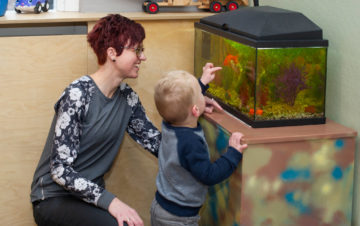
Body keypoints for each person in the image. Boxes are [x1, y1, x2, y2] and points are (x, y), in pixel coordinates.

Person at [30, 14, 222, 226]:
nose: (143, 57)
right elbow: (60, 170)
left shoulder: (127, 98)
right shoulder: (77, 95)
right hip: (53, 198)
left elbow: (160, 144)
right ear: (112, 53)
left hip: (88, 198)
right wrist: (111, 202)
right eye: (137, 50)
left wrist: (191, 105)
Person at [151, 69, 248, 226]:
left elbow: (181, 102)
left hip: (161, 207)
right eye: (200, 96)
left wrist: (201, 83)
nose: (204, 97)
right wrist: (233, 153)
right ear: (195, 110)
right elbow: (209, 175)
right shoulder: (190, 144)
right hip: (179, 219)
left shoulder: (169, 122)